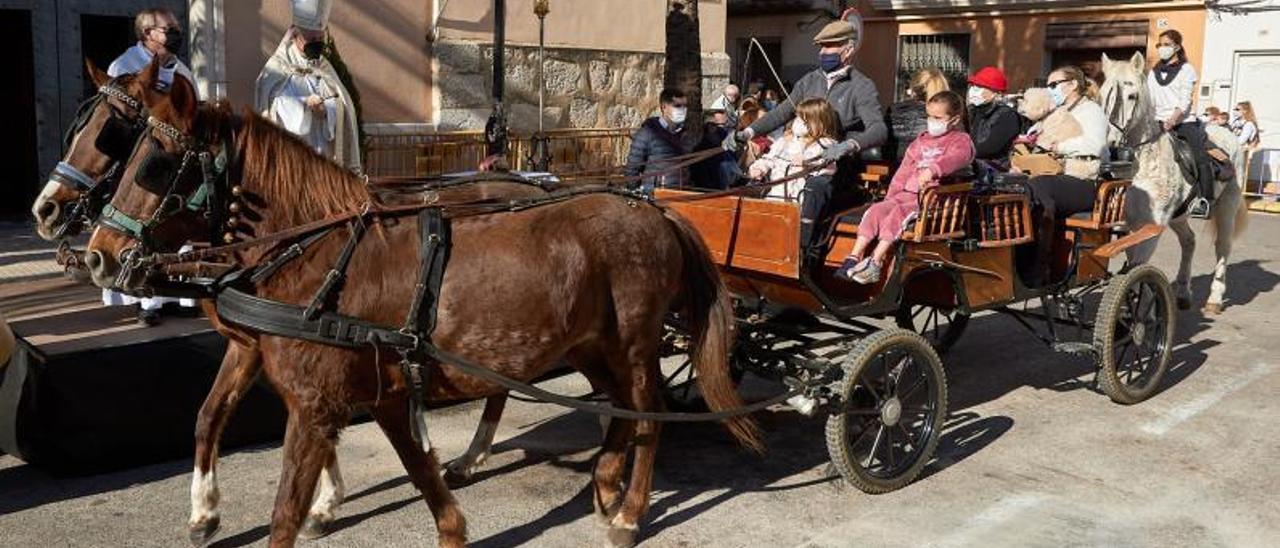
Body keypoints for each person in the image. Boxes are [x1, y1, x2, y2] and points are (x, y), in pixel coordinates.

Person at [725, 18, 888, 249]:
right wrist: (748, 132)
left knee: (814, 188)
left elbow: (879, 129)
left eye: (829, 46)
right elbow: (781, 113)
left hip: (836, 166)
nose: (823, 52)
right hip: (799, 159)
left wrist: (848, 145)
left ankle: (801, 250)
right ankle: (752, 242)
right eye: (821, 47)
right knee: (751, 180)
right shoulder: (809, 81)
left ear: (848, 50)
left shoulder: (861, 86)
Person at [104, 7, 198, 326]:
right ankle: (146, 301)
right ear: (147, 33)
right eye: (167, 28)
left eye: (175, 27)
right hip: (140, 161)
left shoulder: (182, 67)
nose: (175, 32)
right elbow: (119, 116)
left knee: (174, 228)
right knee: (142, 231)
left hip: (174, 163)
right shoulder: (124, 65)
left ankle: (178, 296)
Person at [836, 91, 975, 284]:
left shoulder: (960, 140)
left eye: (937, 118)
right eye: (929, 116)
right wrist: (891, 197)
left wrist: (934, 169)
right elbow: (903, 172)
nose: (931, 121)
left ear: (954, 119)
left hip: (933, 200)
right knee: (876, 210)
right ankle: (854, 256)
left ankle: (876, 261)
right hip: (906, 195)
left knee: (898, 213)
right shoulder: (920, 141)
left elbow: (958, 157)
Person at [1022, 66, 1108, 287]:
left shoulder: (1091, 111)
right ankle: (1016, 257)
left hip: (1083, 181)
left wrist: (1058, 146)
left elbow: (1095, 145)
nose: (1050, 90)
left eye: (1054, 85)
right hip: (1053, 174)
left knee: (1040, 188)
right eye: (1047, 86)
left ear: (1073, 85)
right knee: (1014, 185)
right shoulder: (1052, 110)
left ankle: (1041, 265)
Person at [255, 0, 362, 173]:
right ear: (295, 36)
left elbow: (342, 103)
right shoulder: (277, 68)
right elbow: (271, 107)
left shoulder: (325, 67)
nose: (317, 43)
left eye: (320, 39)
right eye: (312, 39)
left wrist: (327, 110)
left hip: (325, 163)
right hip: (293, 161)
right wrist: (304, 105)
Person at [1147, 29, 1212, 218]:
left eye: (1166, 44)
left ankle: (1205, 200)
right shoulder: (1154, 72)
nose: (1162, 48)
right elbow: (1150, 99)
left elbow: (1185, 100)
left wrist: (1172, 120)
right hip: (1157, 122)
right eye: (1160, 45)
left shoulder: (1187, 70)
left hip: (1184, 122)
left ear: (1176, 46)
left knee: (1199, 155)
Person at [747, 98, 841, 201]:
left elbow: (827, 170)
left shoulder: (825, 145)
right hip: (775, 197)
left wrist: (806, 164)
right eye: (798, 118)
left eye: (804, 120)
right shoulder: (785, 141)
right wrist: (759, 168)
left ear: (819, 123)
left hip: (800, 201)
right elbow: (769, 159)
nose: (799, 122)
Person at [624, 88, 694, 194]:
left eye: (685, 106)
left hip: (683, 195)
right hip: (654, 198)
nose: (683, 110)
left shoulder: (687, 135)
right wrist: (637, 193)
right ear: (664, 107)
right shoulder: (646, 133)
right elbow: (632, 169)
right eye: (678, 106)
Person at [107, 8, 194, 87]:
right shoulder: (124, 67)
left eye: (177, 27)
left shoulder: (183, 72)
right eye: (169, 28)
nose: (177, 32)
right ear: (148, 33)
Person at [888, 67, 949, 163]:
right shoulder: (951, 112)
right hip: (937, 171)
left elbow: (885, 145)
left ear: (913, 89)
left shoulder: (895, 110)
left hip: (898, 169)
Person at [967, 66, 1021, 172]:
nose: (973, 91)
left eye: (979, 87)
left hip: (995, 171)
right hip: (973, 166)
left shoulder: (1007, 116)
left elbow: (988, 148)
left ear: (996, 93)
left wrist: (961, 151)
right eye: (972, 86)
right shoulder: (975, 111)